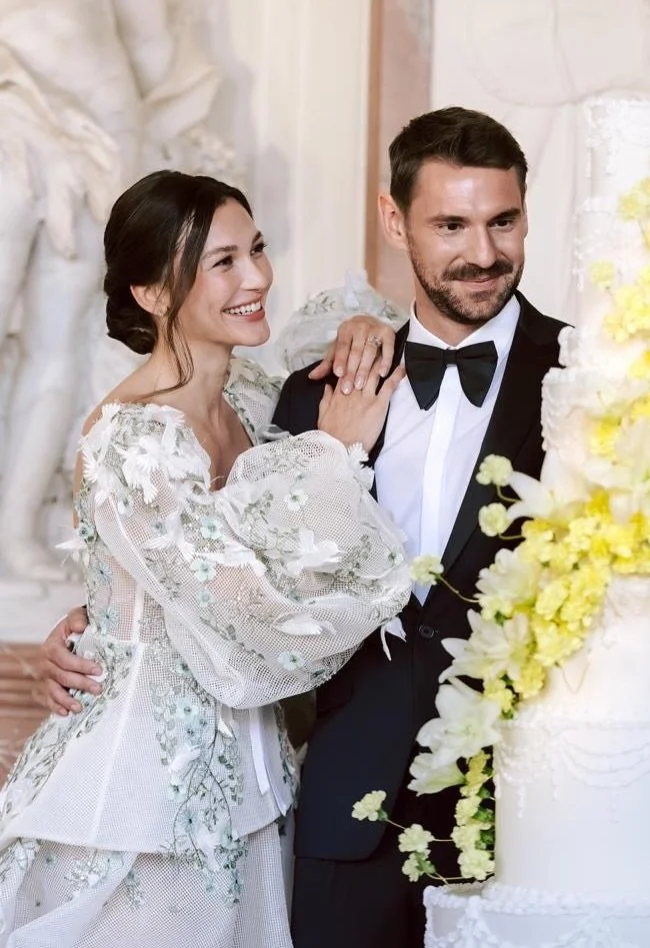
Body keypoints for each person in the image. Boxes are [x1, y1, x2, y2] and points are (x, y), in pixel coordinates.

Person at [37, 107, 567, 946]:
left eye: (502, 221)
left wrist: (117, 604)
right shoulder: (305, 405)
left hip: (528, 800)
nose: (481, 251)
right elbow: (229, 594)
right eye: (449, 225)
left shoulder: (576, 378)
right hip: (301, 803)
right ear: (395, 221)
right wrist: (106, 619)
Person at [0, 170, 411, 947]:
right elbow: (247, 612)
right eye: (222, 262)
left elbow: (360, 330)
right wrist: (332, 454)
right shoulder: (132, 439)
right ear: (153, 293)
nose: (256, 277)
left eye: (256, 248)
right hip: (144, 799)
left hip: (257, 784)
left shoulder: (246, 395)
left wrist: (363, 325)